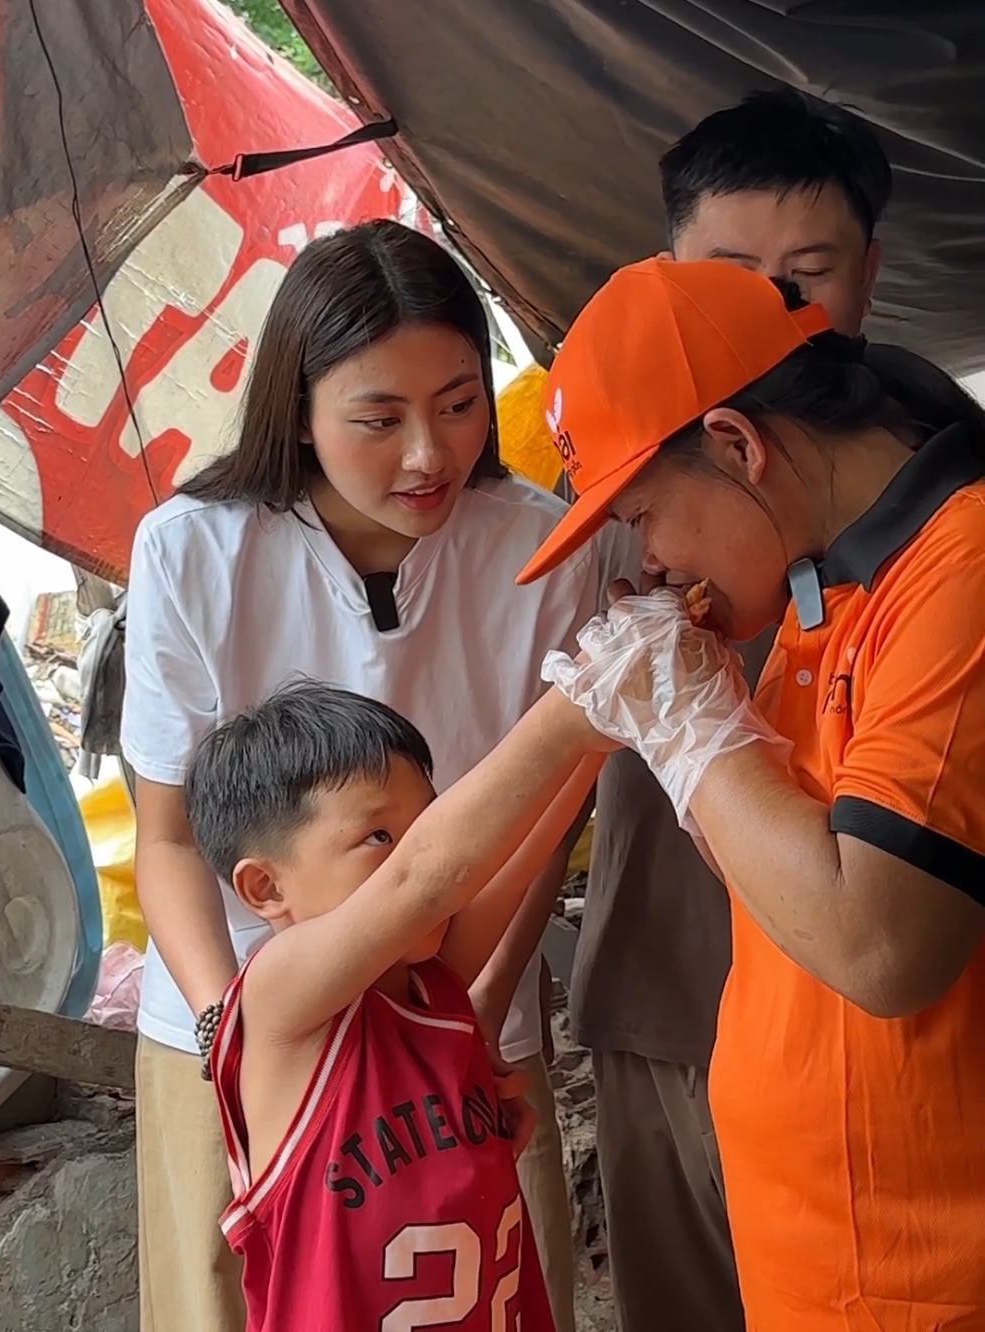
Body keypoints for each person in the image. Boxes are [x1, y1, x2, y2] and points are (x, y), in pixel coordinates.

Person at [121, 220, 628, 1332]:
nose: (428, 457)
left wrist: (479, 1009)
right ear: (296, 412)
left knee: (485, 1280)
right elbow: (165, 841)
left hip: (461, 1007)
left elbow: (544, 815)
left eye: (457, 404)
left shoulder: (543, 550)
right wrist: (233, 1035)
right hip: (235, 1017)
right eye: (378, 419)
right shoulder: (193, 549)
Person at [514, 255, 985, 1329]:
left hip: (926, 1284)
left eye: (644, 517)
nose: (655, 561)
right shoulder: (830, 583)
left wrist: (693, 731)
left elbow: (879, 946)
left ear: (735, 444)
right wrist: (700, 721)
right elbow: (779, 879)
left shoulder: (962, 573)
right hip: (825, 1263)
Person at [570, 90, 893, 1332]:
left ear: (869, 272)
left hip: (867, 1036)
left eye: (805, 280)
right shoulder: (617, 461)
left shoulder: (935, 479)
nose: (765, 321)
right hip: (670, 981)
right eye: (726, 278)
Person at [185, 680, 600, 1331]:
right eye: (380, 836)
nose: (415, 851)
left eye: (426, 824)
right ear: (264, 887)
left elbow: (519, 857)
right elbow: (423, 882)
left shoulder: (428, 982)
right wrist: (583, 694)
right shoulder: (278, 1000)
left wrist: (603, 731)